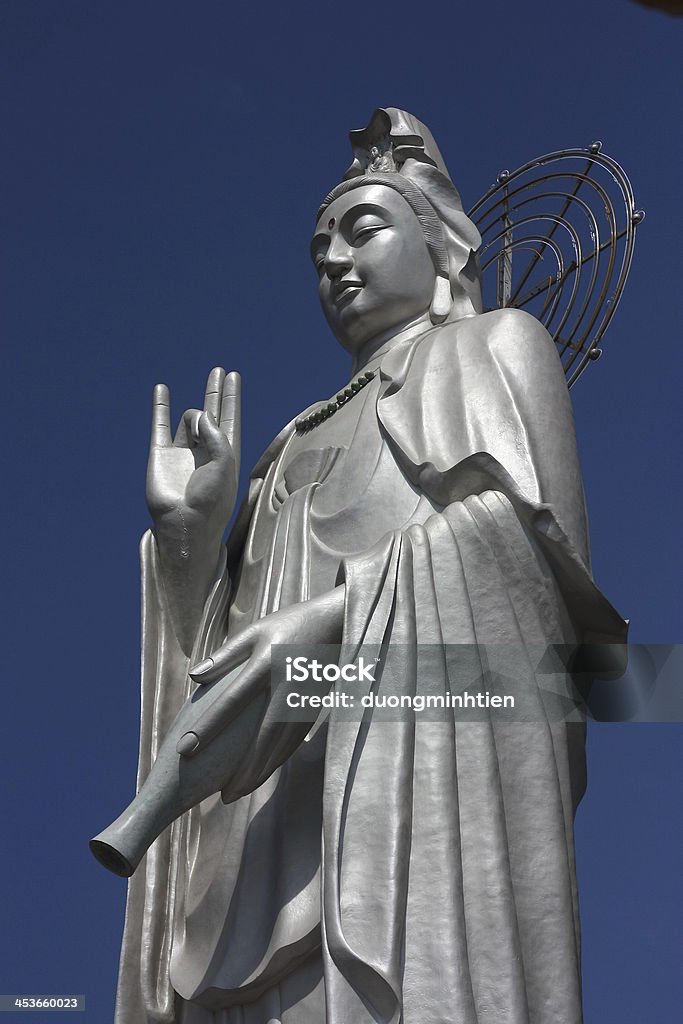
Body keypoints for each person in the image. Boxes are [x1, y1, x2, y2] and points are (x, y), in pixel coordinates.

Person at [107, 108, 625, 1024]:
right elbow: (216, 673)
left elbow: (540, 590)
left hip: (421, 811)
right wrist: (190, 546)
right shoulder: (282, 451)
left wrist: (341, 616)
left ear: (440, 248)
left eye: (363, 229)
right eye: (318, 253)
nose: (334, 264)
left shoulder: (493, 347)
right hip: (253, 859)